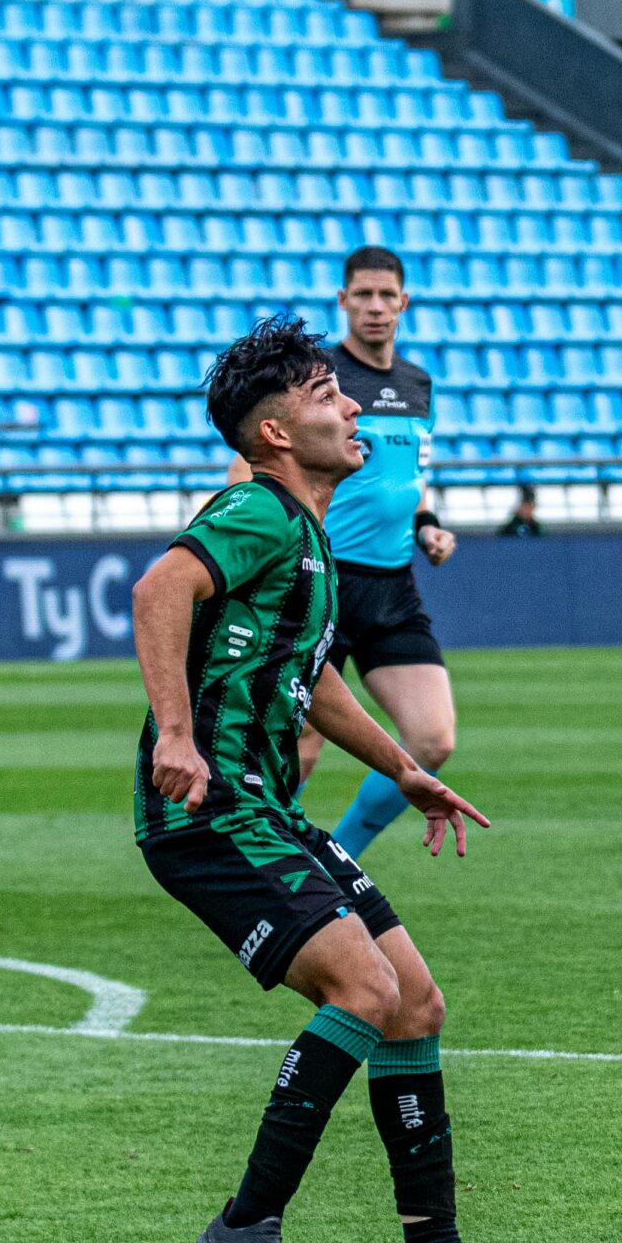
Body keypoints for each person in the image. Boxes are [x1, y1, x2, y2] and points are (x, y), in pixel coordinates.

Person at [133, 317, 546, 1243]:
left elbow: (309, 682)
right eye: (327, 395)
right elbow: (159, 588)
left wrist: (405, 770)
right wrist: (176, 736)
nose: (354, 404)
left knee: (413, 1000)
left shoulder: (304, 531)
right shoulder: (260, 513)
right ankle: (248, 1221)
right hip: (211, 808)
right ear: (276, 433)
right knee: (364, 987)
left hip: (263, 805)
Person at [229, 246, 457, 861]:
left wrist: (428, 523)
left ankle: (342, 854)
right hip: (321, 580)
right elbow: (251, 467)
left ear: (404, 302)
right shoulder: (317, 381)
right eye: (363, 295)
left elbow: (409, 477)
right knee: (299, 750)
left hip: (392, 584)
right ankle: (265, 862)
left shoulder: (417, 383)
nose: (376, 307)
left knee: (432, 739)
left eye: (387, 295)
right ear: (343, 301)